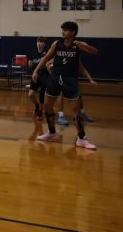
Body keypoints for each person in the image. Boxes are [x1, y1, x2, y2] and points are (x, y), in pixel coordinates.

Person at [32, 21, 99, 149]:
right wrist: (36, 71)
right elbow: (45, 58)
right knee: (47, 106)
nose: (63, 32)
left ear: (73, 32)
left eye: (66, 30)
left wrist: (86, 46)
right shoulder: (56, 44)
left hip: (70, 80)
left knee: (75, 111)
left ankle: (81, 138)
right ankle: (51, 132)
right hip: (55, 78)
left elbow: (95, 52)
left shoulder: (78, 45)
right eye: (62, 29)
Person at [27, 37, 49, 122]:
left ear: (44, 44)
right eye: (38, 42)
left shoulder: (47, 53)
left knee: (41, 95)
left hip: (45, 75)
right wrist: (29, 63)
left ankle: (40, 112)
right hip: (35, 75)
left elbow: (44, 64)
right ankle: (37, 106)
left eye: (41, 42)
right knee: (30, 94)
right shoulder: (33, 52)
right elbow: (30, 63)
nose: (39, 43)